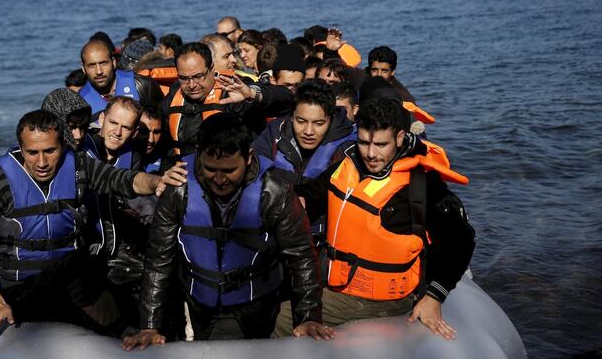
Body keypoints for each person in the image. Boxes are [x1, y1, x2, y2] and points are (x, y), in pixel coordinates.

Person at [0, 110, 187, 350]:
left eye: (50, 151)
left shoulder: (78, 166)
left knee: (95, 270)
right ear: (21, 148)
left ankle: (133, 337)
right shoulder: (0, 182)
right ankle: (123, 332)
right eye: (32, 152)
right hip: (21, 288)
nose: (42, 162)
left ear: (62, 145)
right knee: (74, 266)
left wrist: (158, 182)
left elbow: (121, 179)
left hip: (69, 281)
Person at [121, 114, 333, 350]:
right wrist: (150, 325)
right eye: (210, 168)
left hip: (257, 304)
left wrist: (308, 317)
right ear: (199, 155)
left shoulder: (275, 191)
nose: (219, 179)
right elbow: (159, 259)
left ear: (249, 157)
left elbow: (300, 254)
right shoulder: (178, 188)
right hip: (198, 301)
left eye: (230, 170)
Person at [273, 97, 475, 340]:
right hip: (332, 278)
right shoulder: (348, 162)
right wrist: (296, 202)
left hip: (378, 298)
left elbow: (462, 240)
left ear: (399, 138)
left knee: (278, 318)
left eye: (380, 144)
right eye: (363, 142)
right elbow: (313, 194)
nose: (370, 153)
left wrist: (434, 296)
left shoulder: (422, 185)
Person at [163, 42, 294, 157]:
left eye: (198, 76)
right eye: (184, 78)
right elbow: (165, 146)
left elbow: (287, 99)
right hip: (184, 173)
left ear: (212, 68)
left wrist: (253, 94)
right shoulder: (174, 94)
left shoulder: (233, 90)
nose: (192, 85)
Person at [252, 80, 354, 224]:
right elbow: (254, 171)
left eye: (318, 123)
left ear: (331, 119)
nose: (308, 131)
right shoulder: (274, 132)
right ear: (292, 117)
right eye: (301, 121)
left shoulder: (349, 147)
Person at [78, 39, 164, 119]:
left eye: (103, 63)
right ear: (83, 68)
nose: (99, 71)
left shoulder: (142, 85)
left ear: (114, 62)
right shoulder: (80, 101)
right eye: (91, 65)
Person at [135, 103, 167, 174]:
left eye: (156, 132)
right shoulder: (119, 155)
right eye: (144, 131)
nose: (151, 140)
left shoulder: (167, 158)